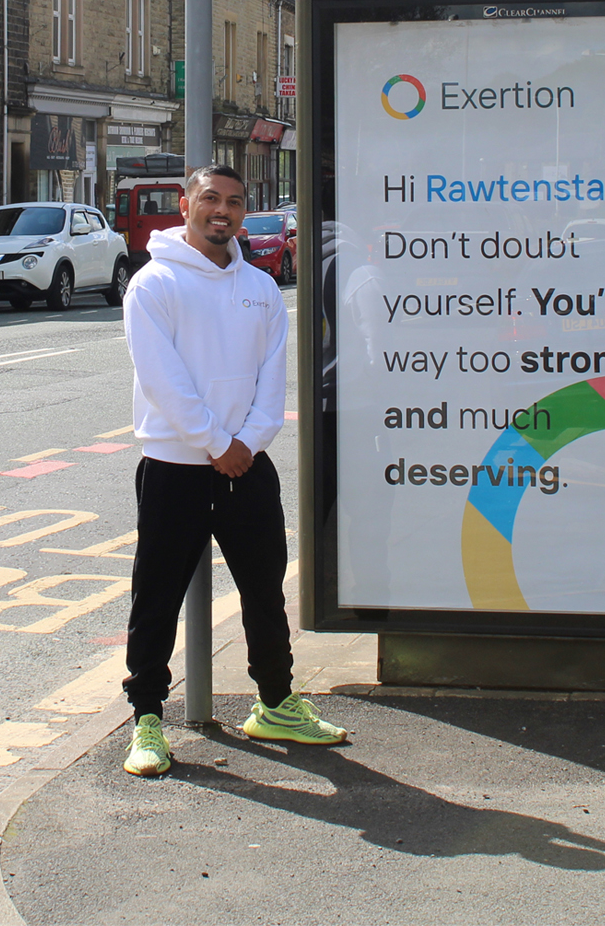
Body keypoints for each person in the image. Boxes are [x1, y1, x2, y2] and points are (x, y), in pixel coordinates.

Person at [119, 163, 346, 776]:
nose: (223, 211)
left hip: (248, 465)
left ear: (246, 211)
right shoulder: (153, 283)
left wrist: (247, 442)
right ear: (187, 203)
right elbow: (161, 378)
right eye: (211, 199)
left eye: (236, 202)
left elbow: (274, 377)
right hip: (176, 465)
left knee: (264, 591)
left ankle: (274, 702)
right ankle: (146, 720)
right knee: (157, 595)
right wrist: (216, 443)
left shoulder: (262, 287)